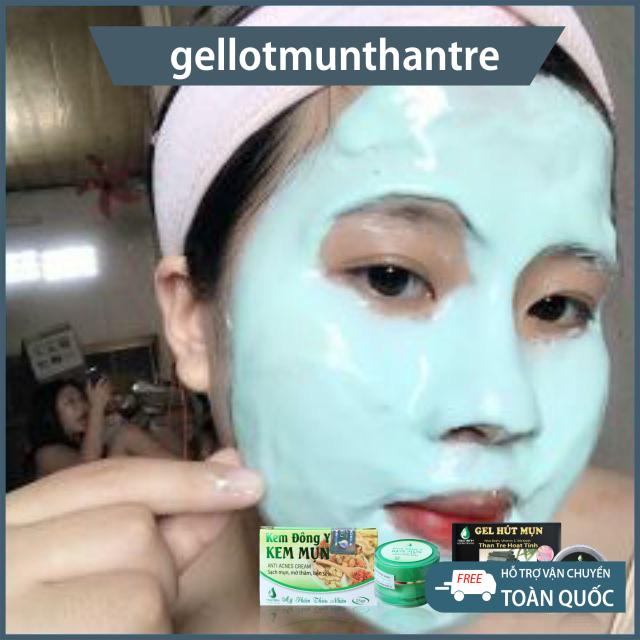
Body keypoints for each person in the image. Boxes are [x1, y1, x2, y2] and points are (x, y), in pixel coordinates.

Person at [5, 6, 633, 634]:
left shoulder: (585, 569)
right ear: (193, 321)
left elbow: (404, 574)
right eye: (391, 277)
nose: (503, 406)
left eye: (557, 306)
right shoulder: (108, 609)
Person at [26, 377, 174, 478]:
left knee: (159, 429)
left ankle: (181, 474)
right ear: (50, 414)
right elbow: (87, 471)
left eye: (82, 399)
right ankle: (183, 477)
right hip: (87, 510)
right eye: (71, 402)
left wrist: (113, 420)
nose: (83, 406)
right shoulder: (45, 453)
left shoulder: (82, 441)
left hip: (103, 499)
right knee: (125, 435)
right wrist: (97, 407)